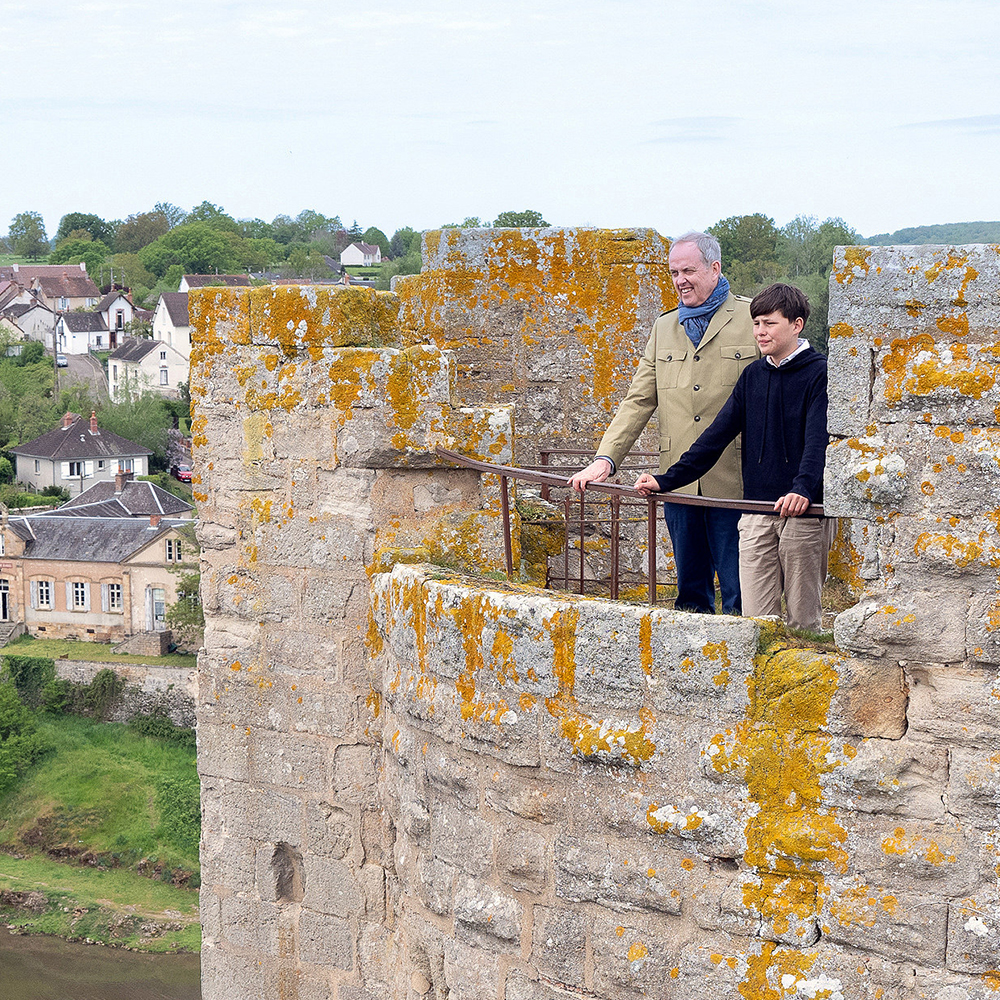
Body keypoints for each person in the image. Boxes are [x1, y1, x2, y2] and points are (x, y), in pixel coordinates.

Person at [569, 231, 757, 614]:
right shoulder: (664, 328)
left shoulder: (751, 317)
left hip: (734, 479)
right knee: (690, 595)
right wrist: (605, 459)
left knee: (742, 594)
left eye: (688, 270)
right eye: (674, 272)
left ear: (714, 268)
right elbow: (638, 400)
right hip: (677, 479)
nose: (680, 280)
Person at [634, 283, 835, 632]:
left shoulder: (820, 373)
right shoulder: (753, 376)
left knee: (803, 623)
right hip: (757, 510)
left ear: (797, 324)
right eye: (756, 323)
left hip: (805, 514)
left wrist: (803, 490)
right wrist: (667, 480)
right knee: (754, 624)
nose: (760, 332)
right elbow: (714, 438)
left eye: (770, 323)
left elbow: (818, 441)